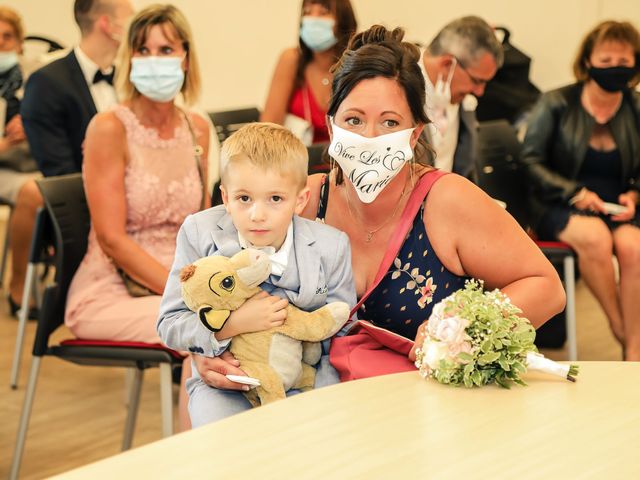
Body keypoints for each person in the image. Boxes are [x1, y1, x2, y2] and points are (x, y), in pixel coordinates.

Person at [191, 26, 565, 401]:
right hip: (319, 405)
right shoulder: (303, 201)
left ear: (415, 134)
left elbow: (545, 288)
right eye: (354, 120)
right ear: (332, 124)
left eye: (389, 122)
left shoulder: (445, 201)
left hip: (431, 406)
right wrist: (207, 350)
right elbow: (220, 282)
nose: (370, 136)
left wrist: (461, 328)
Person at [158, 122, 356, 426]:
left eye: (275, 199)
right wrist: (231, 325)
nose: (257, 214)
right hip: (227, 384)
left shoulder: (331, 246)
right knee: (229, 453)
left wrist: (324, 400)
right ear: (225, 197)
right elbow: (170, 323)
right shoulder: (199, 232)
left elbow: (341, 339)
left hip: (303, 381)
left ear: (299, 200)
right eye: (244, 199)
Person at [65, 3, 210, 346]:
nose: (154, 59)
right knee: (207, 331)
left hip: (181, 282)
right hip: (113, 290)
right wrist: (187, 293)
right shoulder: (109, 128)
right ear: (129, 58)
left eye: (166, 49)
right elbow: (112, 239)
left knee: (251, 322)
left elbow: (201, 226)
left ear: (185, 58)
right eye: (143, 50)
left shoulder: (197, 128)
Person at [520, 20, 640, 361]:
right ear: (587, 61)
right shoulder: (556, 103)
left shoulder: (636, 106)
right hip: (559, 201)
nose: (615, 70)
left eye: (623, 63)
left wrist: (635, 195)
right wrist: (574, 192)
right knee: (596, 238)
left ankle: (633, 350)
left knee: (634, 247)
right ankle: (623, 332)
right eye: (605, 62)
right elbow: (530, 162)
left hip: (617, 205)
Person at [21, 0, 133, 177]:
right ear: (108, 25)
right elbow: (60, 173)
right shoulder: (47, 83)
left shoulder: (131, 77)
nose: (137, 28)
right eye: (131, 18)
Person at [260, 0, 356, 144]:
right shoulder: (291, 60)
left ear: (343, 21)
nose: (313, 19)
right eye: (307, 12)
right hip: (299, 164)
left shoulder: (357, 64)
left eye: (323, 13)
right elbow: (268, 128)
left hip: (346, 163)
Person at [419, 16, 503, 182]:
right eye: (477, 81)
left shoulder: (461, 97)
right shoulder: (398, 90)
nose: (480, 92)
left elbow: (465, 168)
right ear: (447, 64)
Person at [0, 6, 42, 319]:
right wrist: (6, 142)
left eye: (7, 37)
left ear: (19, 41)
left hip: (38, 161)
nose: (2, 44)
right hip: (4, 168)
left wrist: (33, 127)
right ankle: (17, 285)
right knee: (33, 192)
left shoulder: (37, 75)